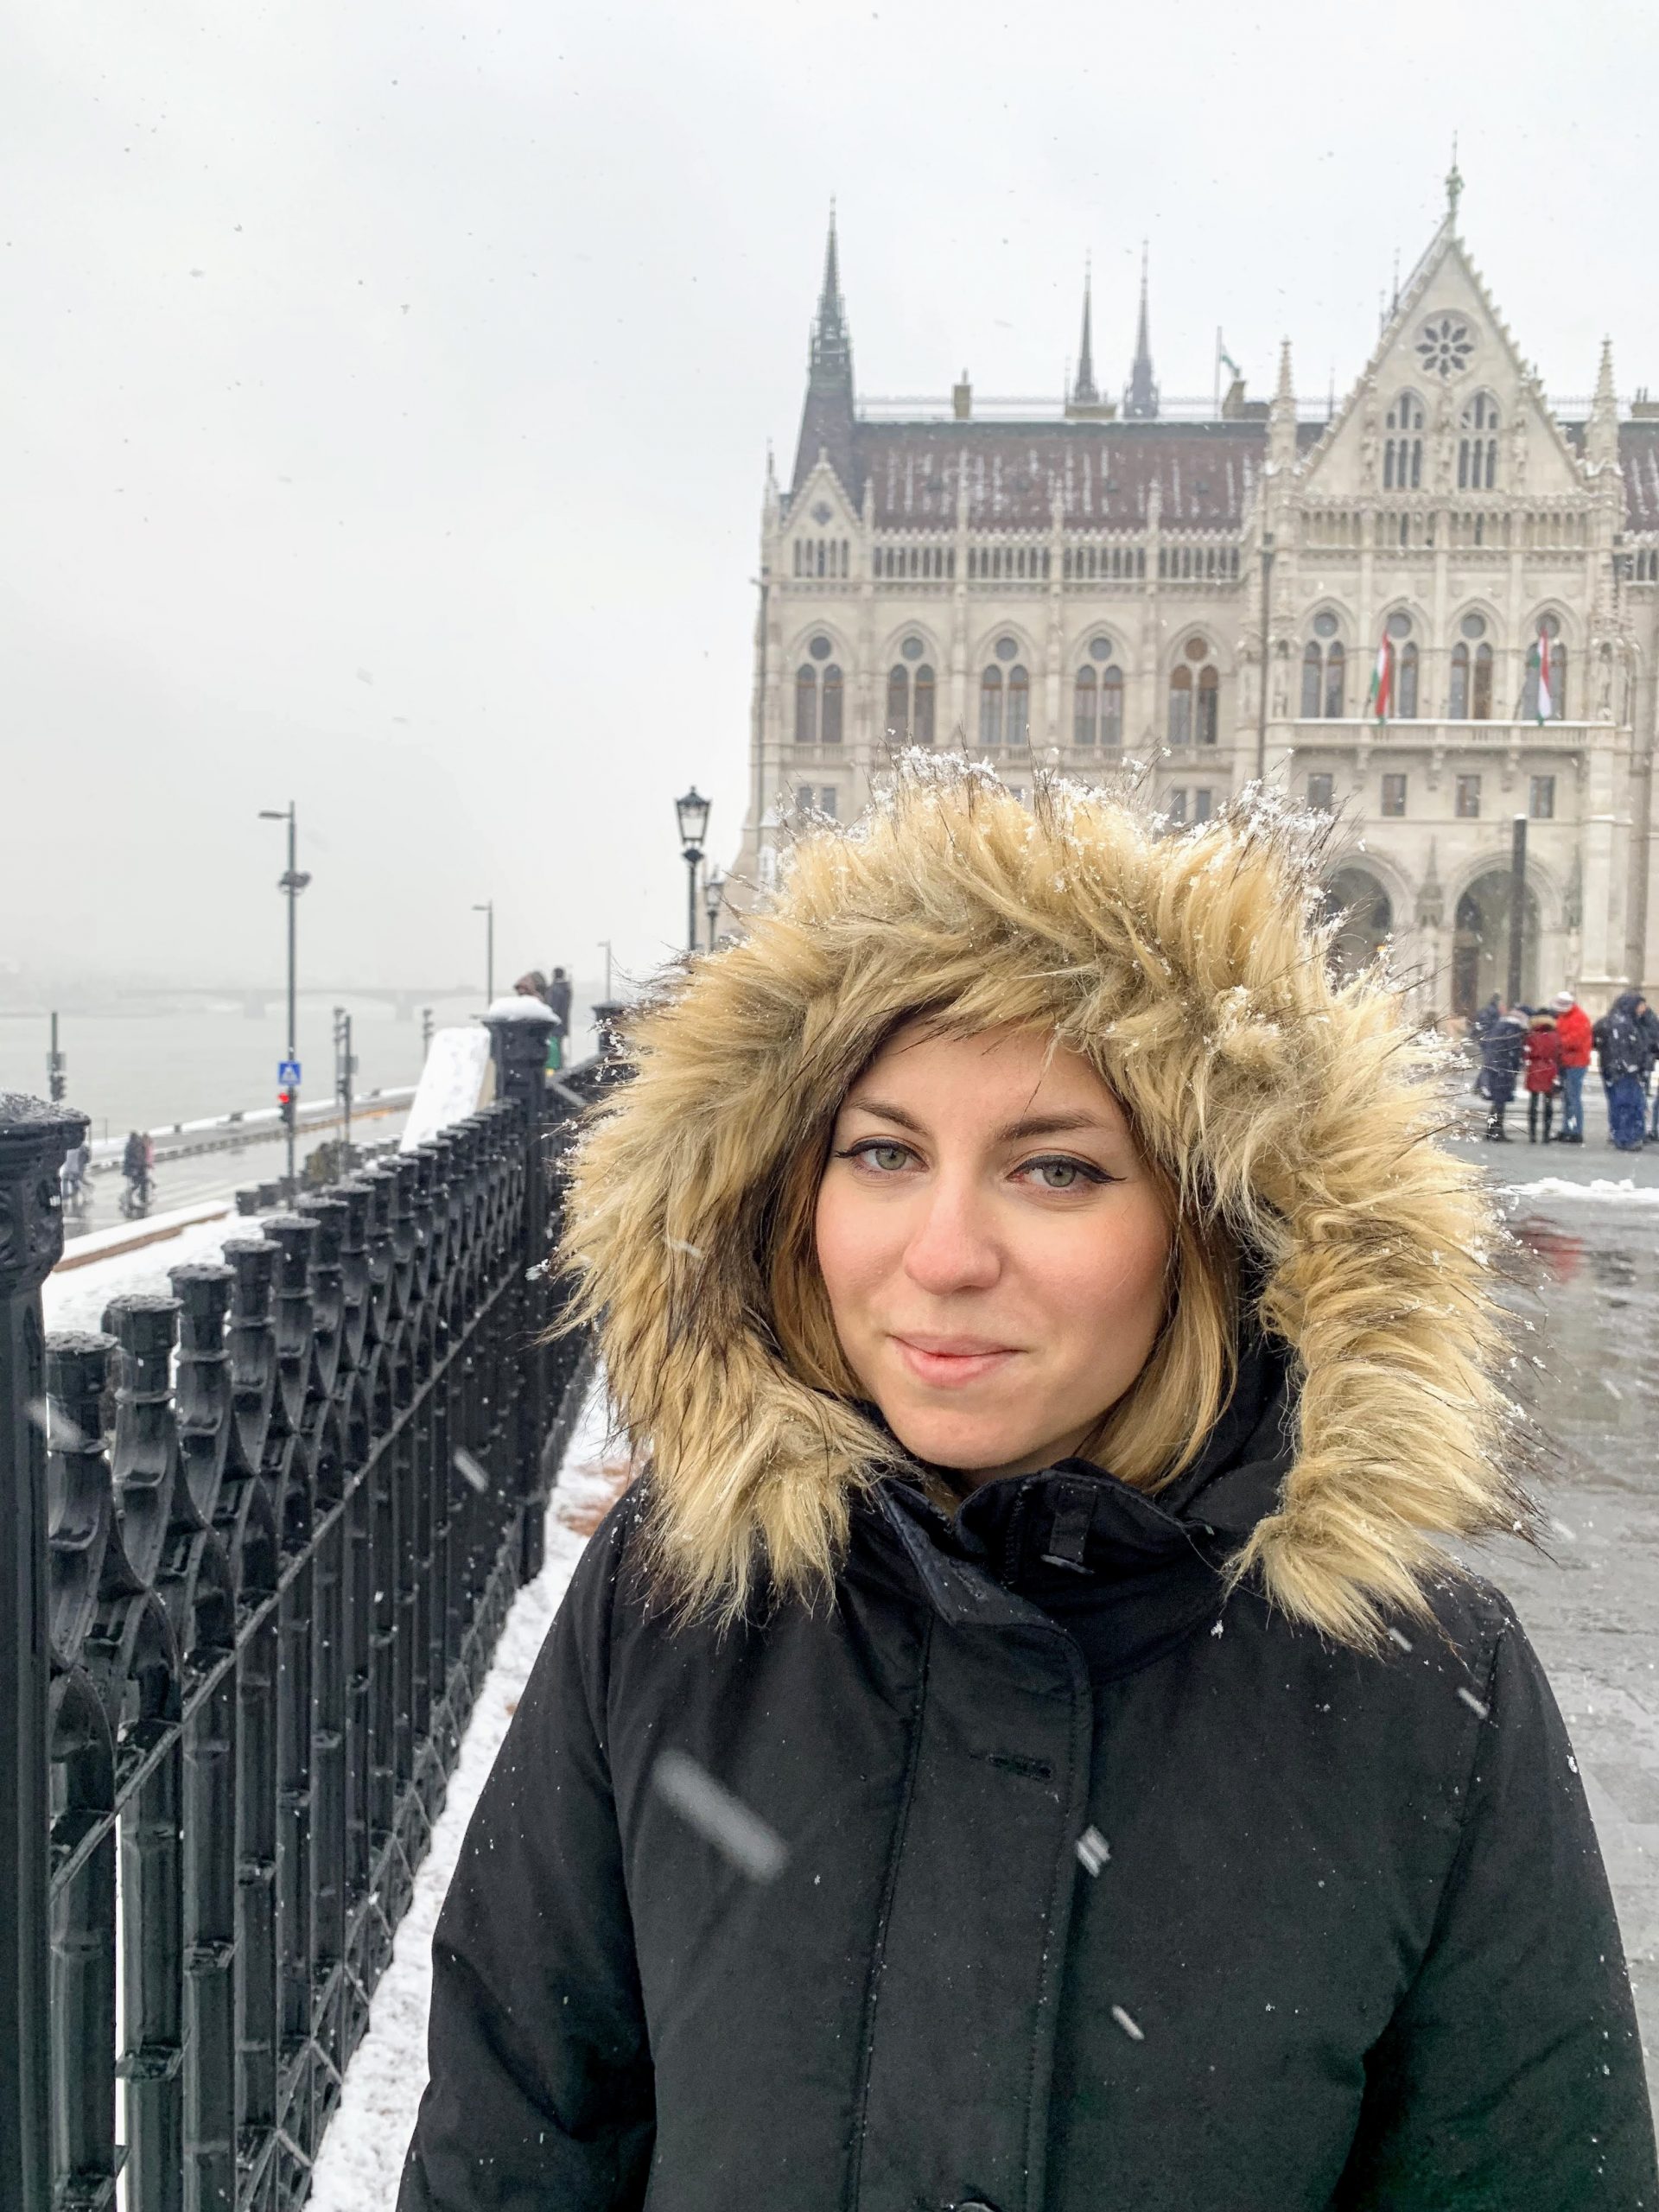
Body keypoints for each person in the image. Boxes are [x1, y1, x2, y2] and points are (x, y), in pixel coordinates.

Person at [400, 768, 1655, 2211]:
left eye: (1054, 1170)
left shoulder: (1423, 1689)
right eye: (882, 1152)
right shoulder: (677, 1598)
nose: (941, 1254)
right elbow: (519, 2143)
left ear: (1209, 1223)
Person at [1595, 992, 1650, 1151]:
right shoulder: (1623, 1024)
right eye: (1641, 1005)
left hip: (1617, 1069)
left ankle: (1623, 1135)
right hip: (1624, 1070)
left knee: (1622, 1103)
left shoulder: (1615, 1021)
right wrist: (1629, 1065)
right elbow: (1623, 1049)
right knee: (1627, 1104)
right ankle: (1625, 1138)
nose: (1643, 1009)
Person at [1476, 1001, 1525, 1141]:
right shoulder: (1512, 1030)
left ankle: (1491, 1130)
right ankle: (1497, 1131)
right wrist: (1516, 1067)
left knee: (1497, 1101)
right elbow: (1514, 1052)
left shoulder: (1500, 1027)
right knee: (1500, 1102)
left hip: (1495, 1067)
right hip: (1504, 1069)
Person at [1553, 988, 1592, 1142]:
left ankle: (1575, 1131)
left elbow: (1574, 1041)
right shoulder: (1565, 1017)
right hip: (1566, 1061)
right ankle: (1567, 1128)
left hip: (1576, 1063)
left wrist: (1557, 1042)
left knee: (1573, 1097)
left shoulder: (1579, 1018)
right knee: (1567, 1098)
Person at [1522, 1007, 1562, 1143]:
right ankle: (1546, 1135)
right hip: (1550, 1068)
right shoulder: (1555, 1035)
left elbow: (1526, 1053)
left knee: (1533, 1102)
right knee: (1548, 1102)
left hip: (1534, 1067)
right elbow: (1558, 1053)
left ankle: (1532, 1135)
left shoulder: (1531, 1035)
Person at [547, 964, 573, 1070]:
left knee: (554, 1048)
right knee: (558, 1047)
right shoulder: (566, 989)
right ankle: (559, 1068)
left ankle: (557, 1070)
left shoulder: (555, 990)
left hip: (554, 1025)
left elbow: (554, 1008)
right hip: (562, 1024)